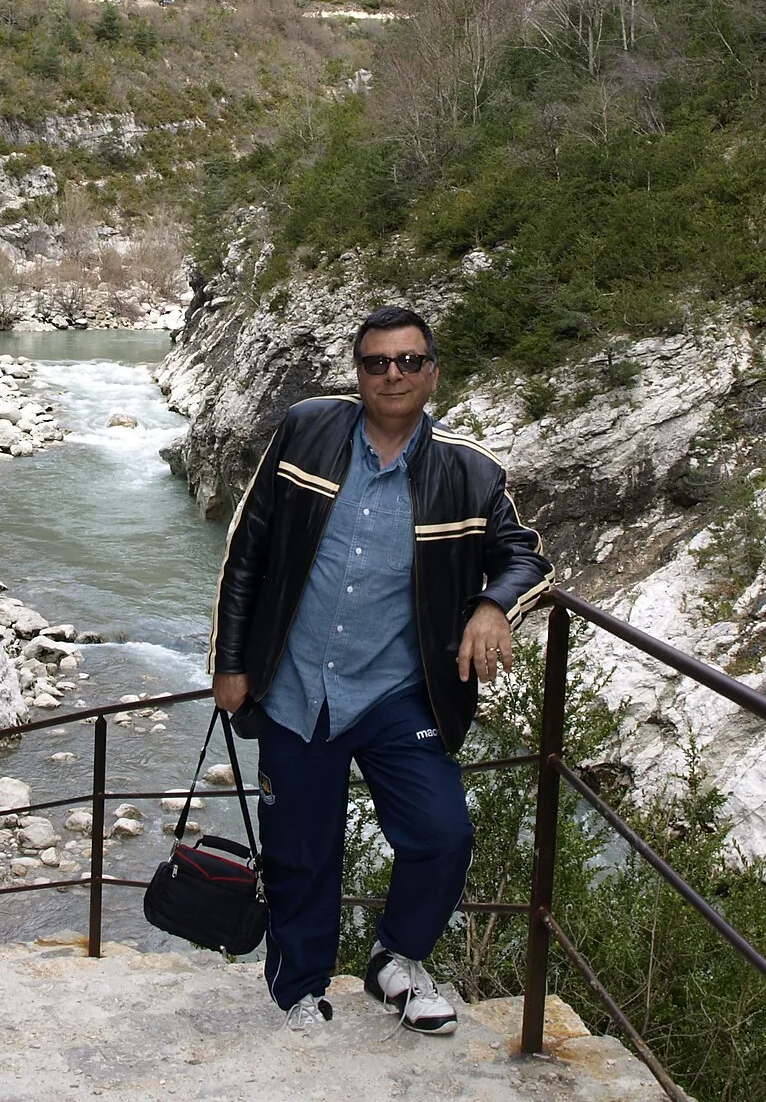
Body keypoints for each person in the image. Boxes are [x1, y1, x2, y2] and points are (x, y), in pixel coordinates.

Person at [210, 305, 550, 1035]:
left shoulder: (469, 472)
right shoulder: (306, 430)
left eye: (407, 361)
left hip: (401, 692)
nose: (391, 374)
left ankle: (397, 958)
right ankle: (299, 991)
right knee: (301, 852)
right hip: (299, 686)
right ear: (357, 371)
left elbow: (526, 556)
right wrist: (230, 663)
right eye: (376, 362)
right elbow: (248, 552)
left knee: (441, 833)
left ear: (432, 371)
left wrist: (493, 606)